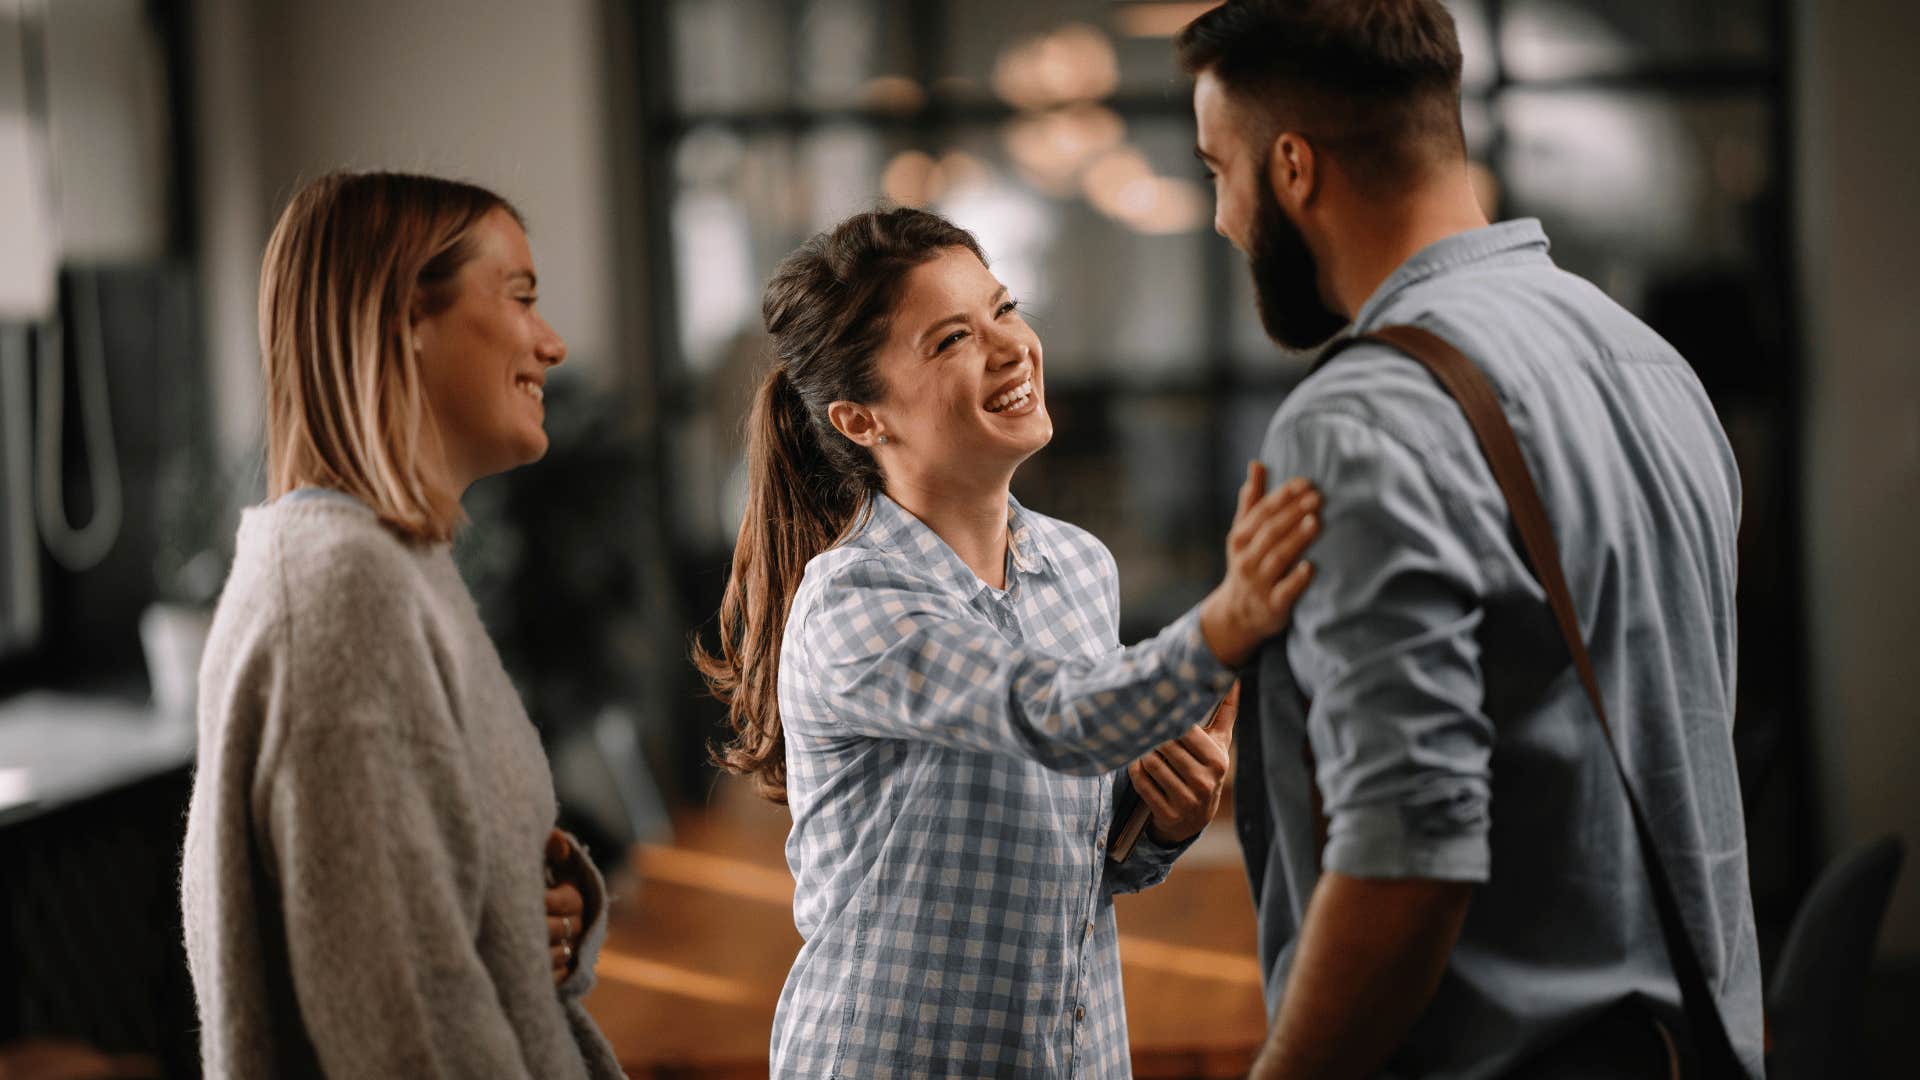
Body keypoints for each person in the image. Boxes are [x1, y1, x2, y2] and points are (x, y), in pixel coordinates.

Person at [1175, 3, 1764, 1077]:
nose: (1220, 217)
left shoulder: (1356, 419)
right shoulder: (1646, 363)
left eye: (1221, 171)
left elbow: (1405, 861)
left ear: (1293, 168)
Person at [693, 207, 1321, 1077]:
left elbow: (1075, 866)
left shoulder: (1078, 567)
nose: (1011, 346)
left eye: (1004, 309)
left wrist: (1161, 825)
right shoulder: (854, 604)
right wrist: (1232, 620)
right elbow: (1053, 715)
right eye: (951, 340)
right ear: (859, 420)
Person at [180, 171, 622, 1078]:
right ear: (401, 317)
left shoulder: (394, 567)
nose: (554, 342)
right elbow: (406, 1023)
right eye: (521, 297)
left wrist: (533, 903)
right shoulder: (342, 591)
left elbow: (424, 908)